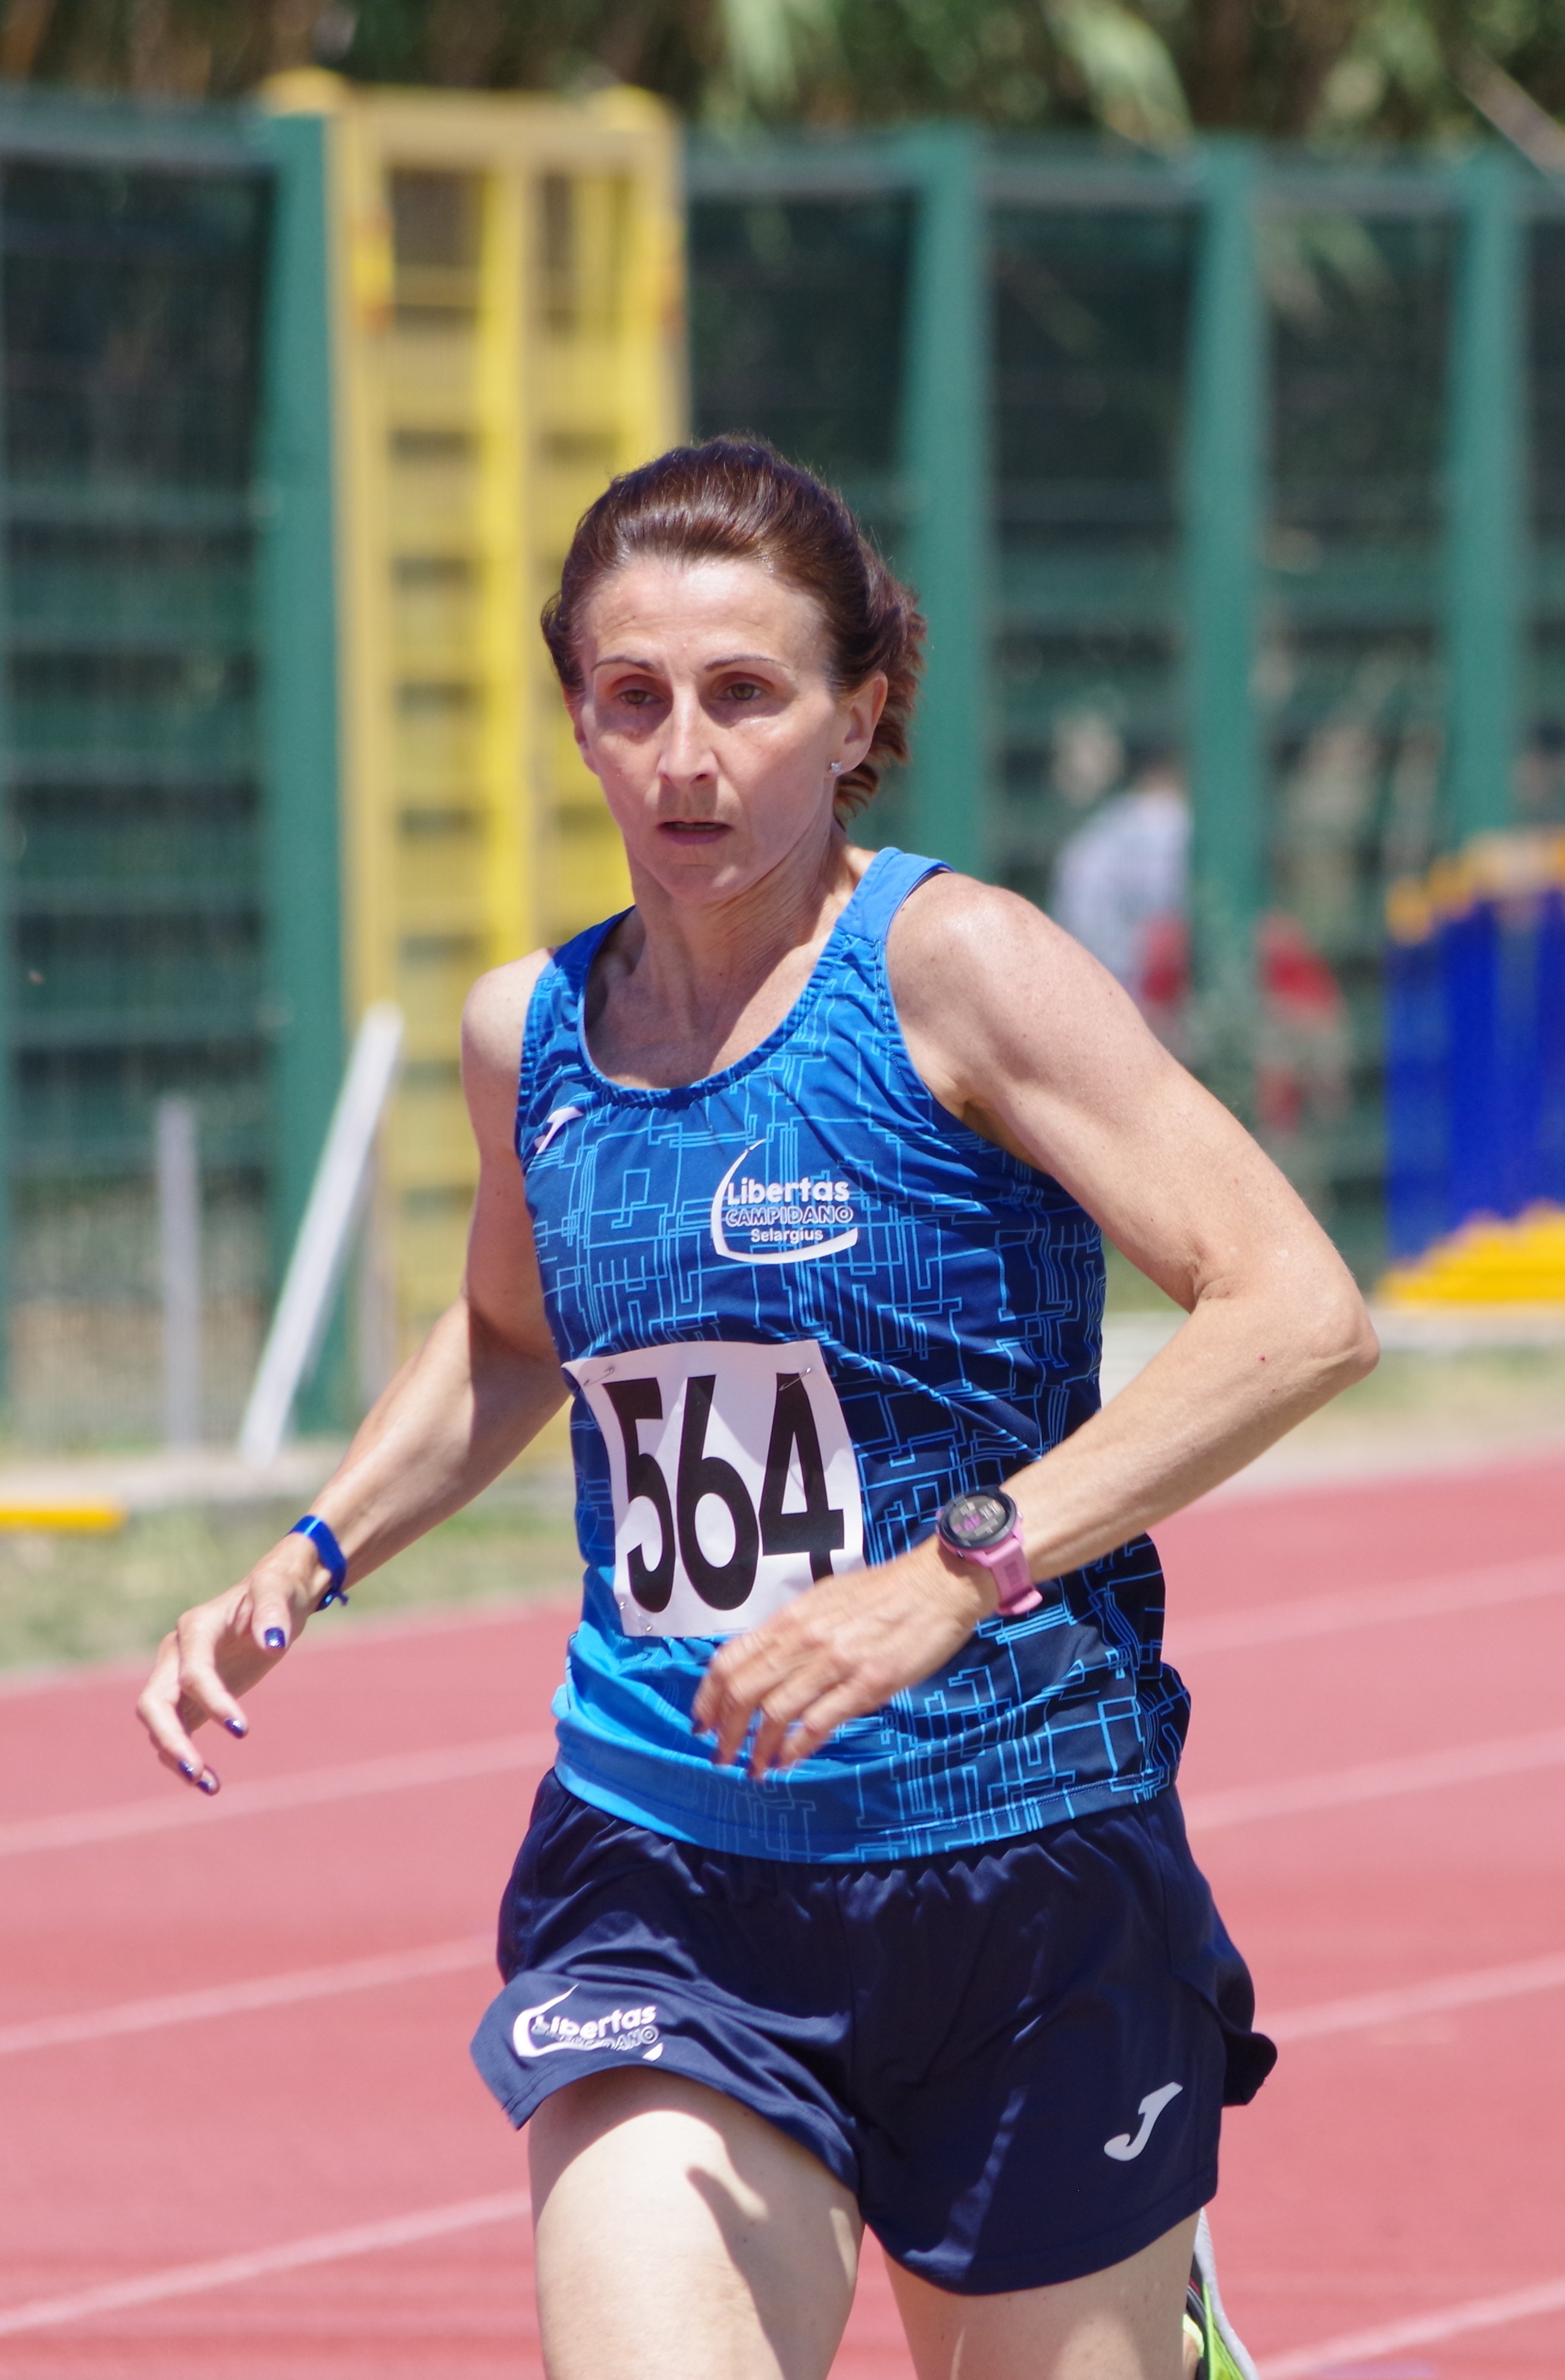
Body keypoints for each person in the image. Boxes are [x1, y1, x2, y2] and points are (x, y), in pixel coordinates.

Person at [136, 437, 1377, 2380]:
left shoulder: (956, 972)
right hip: (668, 1868)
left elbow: (1297, 1310)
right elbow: (512, 1338)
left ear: (859, 712)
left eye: (745, 694)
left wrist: (954, 1576)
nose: (686, 758)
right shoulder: (528, 1037)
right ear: (576, 715)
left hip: (1022, 1865)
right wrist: (306, 1555)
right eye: (632, 700)